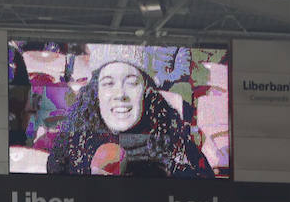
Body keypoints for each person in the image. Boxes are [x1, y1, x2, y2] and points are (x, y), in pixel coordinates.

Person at [47, 44, 213, 177]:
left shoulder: (176, 144)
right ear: (95, 92)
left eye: (132, 82)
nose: (120, 94)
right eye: (108, 83)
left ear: (146, 91)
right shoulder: (71, 145)